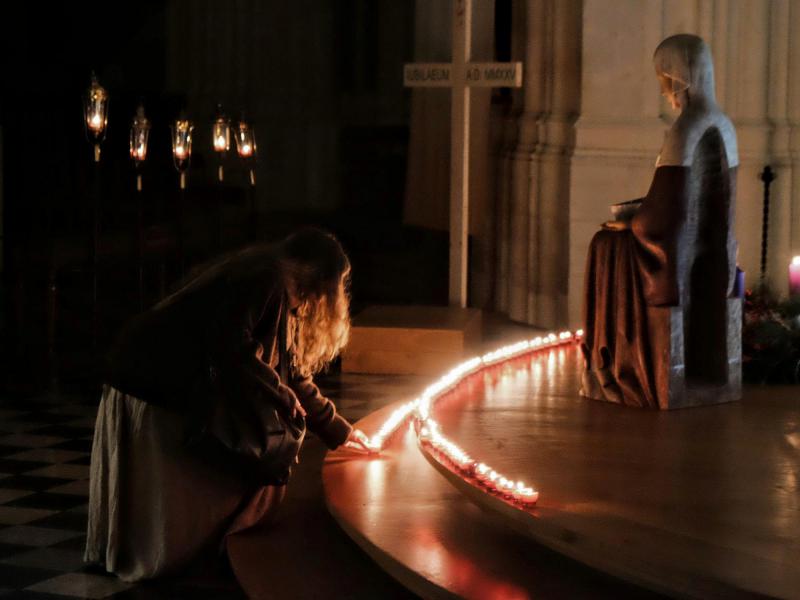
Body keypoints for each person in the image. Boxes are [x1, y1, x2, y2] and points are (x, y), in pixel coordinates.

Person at [85, 228, 372, 581]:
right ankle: (172, 557)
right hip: (153, 382)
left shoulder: (275, 281)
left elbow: (293, 374)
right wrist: (280, 397)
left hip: (154, 378)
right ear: (319, 281)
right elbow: (231, 345)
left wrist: (340, 431)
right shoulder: (267, 280)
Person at [580, 34, 738, 408]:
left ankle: (611, 365)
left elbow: (661, 218)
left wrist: (631, 222)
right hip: (712, 256)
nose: (665, 91)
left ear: (679, 77)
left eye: (664, 80)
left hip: (668, 258)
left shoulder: (684, 129)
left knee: (604, 247)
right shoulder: (724, 125)